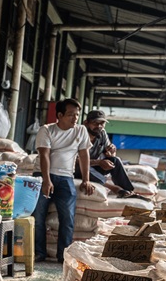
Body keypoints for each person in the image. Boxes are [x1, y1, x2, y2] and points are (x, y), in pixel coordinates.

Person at [33, 98, 94, 263]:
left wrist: (86, 180)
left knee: (67, 218)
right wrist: (46, 180)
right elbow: (44, 155)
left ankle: (63, 255)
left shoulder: (80, 131)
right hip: (42, 176)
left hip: (66, 178)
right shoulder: (46, 130)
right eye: (70, 115)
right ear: (59, 115)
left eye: (77, 115)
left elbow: (83, 155)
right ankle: (39, 252)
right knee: (38, 217)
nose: (75, 119)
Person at [78, 110, 137, 196]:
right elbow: (73, 160)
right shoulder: (78, 134)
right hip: (78, 169)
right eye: (95, 123)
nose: (99, 126)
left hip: (94, 167)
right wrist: (98, 162)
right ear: (86, 123)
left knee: (115, 160)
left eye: (102, 123)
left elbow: (109, 152)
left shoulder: (102, 133)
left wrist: (111, 151)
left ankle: (128, 191)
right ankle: (114, 188)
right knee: (84, 166)